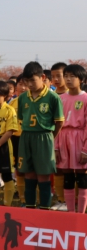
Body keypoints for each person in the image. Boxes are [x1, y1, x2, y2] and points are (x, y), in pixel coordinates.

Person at [17, 62, 64, 209]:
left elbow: (59, 122)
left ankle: (45, 209)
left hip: (44, 137)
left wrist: (50, 138)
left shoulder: (53, 97)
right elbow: (20, 119)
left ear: (43, 77)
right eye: (26, 81)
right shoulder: (22, 98)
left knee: (43, 175)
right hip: (26, 137)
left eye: (33, 80)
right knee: (29, 174)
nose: (29, 84)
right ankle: (30, 207)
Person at [56, 64, 87, 213]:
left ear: (81, 79)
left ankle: (81, 213)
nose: (68, 79)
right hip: (63, 139)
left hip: (80, 138)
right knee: (67, 175)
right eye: (66, 76)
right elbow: (55, 124)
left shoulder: (85, 98)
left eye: (72, 76)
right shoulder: (60, 98)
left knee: (82, 177)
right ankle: (70, 212)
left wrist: (86, 150)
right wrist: (55, 146)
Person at [50, 62, 70, 209]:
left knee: (75, 169)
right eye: (53, 76)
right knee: (58, 169)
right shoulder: (50, 96)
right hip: (55, 136)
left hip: (73, 136)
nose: (56, 79)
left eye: (59, 75)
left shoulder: (75, 95)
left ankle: (75, 200)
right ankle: (61, 200)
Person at [10, 75, 26, 203]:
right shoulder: (12, 103)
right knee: (19, 170)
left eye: (26, 84)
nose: (23, 87)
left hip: (31, 139)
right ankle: (22, 199)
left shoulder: (36, 102)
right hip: (16, 139)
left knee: (33, 172)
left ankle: (34, 200)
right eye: (20, 84)